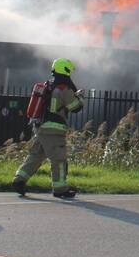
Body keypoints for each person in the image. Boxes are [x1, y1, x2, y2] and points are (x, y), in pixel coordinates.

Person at [11, 58, 84, 198]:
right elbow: (75, 107)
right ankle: (60, 189)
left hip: (40, 128)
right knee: (59, 159)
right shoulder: (63, 88)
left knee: (36, 156)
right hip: (54, 131)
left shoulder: (48, 86)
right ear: (66, 70)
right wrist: (80, 97)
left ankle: (19, 180)